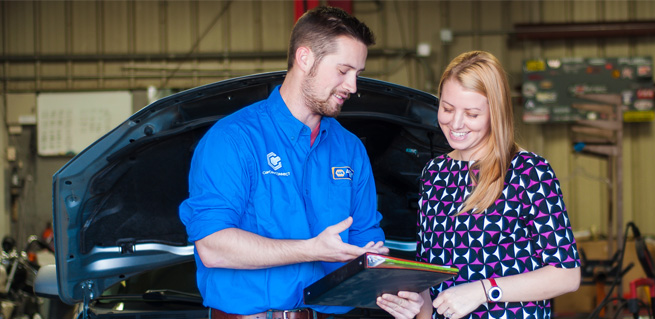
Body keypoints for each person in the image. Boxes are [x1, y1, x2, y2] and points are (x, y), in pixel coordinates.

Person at [179, 6, 391, 319]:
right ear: (305, 58)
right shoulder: (233, 139)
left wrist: (396, 286)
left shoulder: (350, 149)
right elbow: (213, 246)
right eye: (343, 70)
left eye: (357, 74)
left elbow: (366, 245)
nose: (353, 86)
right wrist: (311, 249)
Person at [377, 51, 581, 319]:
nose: (455, 123)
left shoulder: (528, 172)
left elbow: (566, 274)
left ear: (494, 113)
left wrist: (483, 291)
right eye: (447, 109)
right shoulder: (435, 174)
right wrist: (414, 308)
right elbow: (429, 275)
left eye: (472, 114)